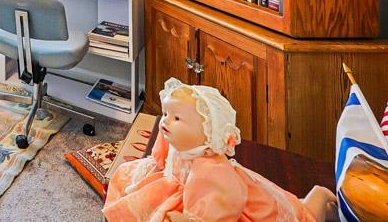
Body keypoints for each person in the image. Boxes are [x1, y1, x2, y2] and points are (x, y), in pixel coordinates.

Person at [103, 78, 337, 222]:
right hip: (185, 190)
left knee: (302, 216)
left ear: (207, 133)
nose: (165, 121)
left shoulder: (212, 170)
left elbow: (224, 207)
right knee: (126, 179)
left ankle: (320, 195)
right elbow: (161, 159)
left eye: (176, 118)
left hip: (227, 205)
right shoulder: (172, 140)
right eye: (165, 114)